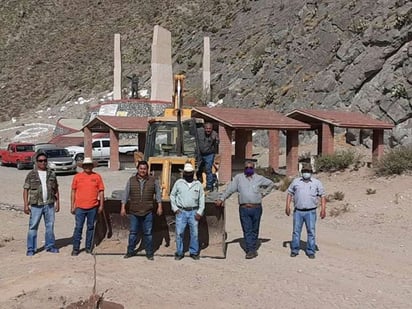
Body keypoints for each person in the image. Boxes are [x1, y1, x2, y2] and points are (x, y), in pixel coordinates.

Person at [216, 160, 275, 259]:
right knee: (247, 229)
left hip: (256, 208)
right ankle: (250, 250)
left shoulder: (259, 178)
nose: (248, 169)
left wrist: (263, 194)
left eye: (250, 168)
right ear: (244, 169)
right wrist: (222, 198)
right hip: (244, 209)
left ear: (254, 168)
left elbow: (271, 184)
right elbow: (230, 190)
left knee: (255, 229)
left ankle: (253, 246)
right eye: (246, 168)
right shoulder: (239, 178)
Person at [121, 160, 163, 260]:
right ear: (138, 169)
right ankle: (130, 251)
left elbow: (158, 194)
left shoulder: (153, 180)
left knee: (148, 233)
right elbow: (126, 194)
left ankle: (149, 253)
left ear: (147, 169)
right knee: (133, 233)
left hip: (148, 211)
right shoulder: (131, 180)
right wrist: (123, 207)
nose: (143, 171)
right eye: (141, 169)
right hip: (134, 211)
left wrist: (160, 206)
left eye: (144, 169)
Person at [285, 162, 326, 259]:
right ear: (301, 172)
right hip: (298, 211)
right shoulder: (296, 182)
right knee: (296, 231)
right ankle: (295, 249)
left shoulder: (317, 183)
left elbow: (323, 196)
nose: (306, 173)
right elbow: (289, 193)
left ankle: (311, 251)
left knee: (311, 231)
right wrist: (287, 206)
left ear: (311, 172)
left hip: (311, 211)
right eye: (304, 171)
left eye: (308, 171)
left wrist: (323, 209)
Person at [23, 152, 60, 256]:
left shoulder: (51, 174)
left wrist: (58, 203)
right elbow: (25, 189)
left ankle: (50, 246)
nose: (43, 162)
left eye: (45, 160)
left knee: (50, 226)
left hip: (49, 204)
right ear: (36, 162)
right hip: (36, 205)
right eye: (40, 161)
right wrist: (26, 204)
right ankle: (31, 249)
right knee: (33, 227)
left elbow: (56, 188)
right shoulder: (31, 174)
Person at [170, 163, 205, 260]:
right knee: (179, 233)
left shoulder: (198, 184)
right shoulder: (178, 183)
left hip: (194, 212)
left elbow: (202, 198)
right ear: (183, 173)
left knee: (195, 233)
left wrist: (200, 212)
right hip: (181, 212)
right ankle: (179, 252)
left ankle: (193, 252)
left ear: (193, 173)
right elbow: (172, 195)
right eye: (186, 172)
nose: (188, 174)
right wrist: (175, 208)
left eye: (190, 173)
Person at [70, 157, 105, 256]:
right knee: (78, 228)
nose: (88, 167)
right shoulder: (77, 177)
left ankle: (88, 247)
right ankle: (76, 248)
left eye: (89, 165)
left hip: (93, 206)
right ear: (83, 167)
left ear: (92, 166)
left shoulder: (97, 177)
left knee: (90, 228)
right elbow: (73, 191)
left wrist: (101, 205)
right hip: (80, 207)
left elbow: (101, 191)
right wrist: (72, 205)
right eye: (86, 165)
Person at [196, 122, 219, 192]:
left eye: (209, 129)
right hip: (199, 153)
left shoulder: (214, 134)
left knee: (208, 169)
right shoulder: (199, 131)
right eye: (206, 128)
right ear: (204, 128)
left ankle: (209, 186)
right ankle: (198, 182)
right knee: (198, 168)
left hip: (209, 154)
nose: (208, 130)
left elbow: (217, 144)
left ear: (212, 129)